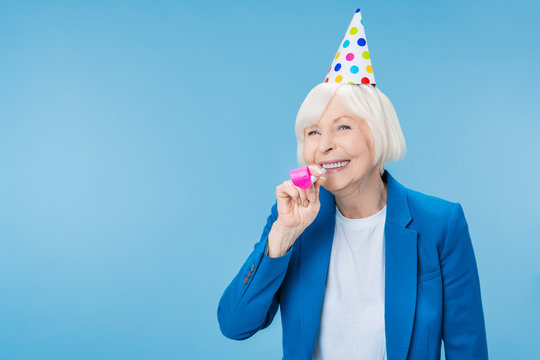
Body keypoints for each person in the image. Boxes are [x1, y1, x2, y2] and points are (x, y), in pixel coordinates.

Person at [218, 9, 488, 360]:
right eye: (313, 132)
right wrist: (282, 237)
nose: (324, 145)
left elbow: (468, 349)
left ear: (378, 135)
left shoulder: (441, 224)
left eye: (343, 127)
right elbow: (234, 325)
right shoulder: (292, 221)